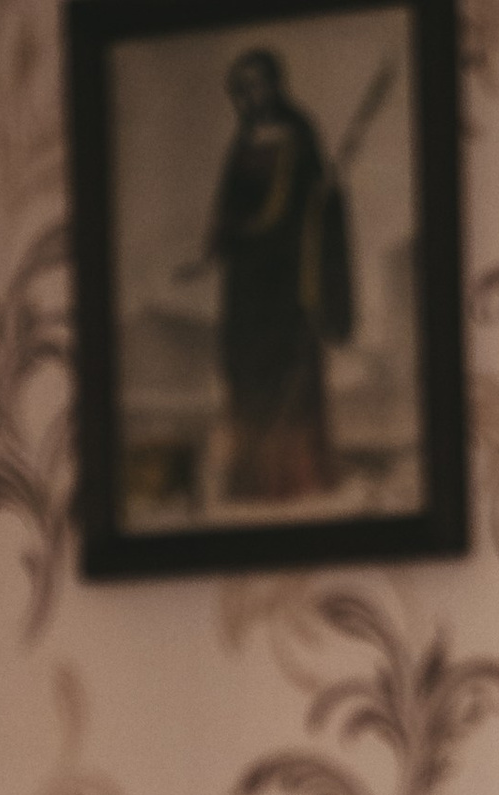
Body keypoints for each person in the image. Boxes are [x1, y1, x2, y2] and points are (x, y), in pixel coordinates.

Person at [197, 47, 339, 502]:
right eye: (243, 88)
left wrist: (326, 194)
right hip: (245, 281)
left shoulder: (298, 135)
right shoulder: (243, 139)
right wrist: (216, 243)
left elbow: (305, 207)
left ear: (275, 84)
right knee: (245, 371)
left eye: (258, 84)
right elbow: (227, 205)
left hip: (286, 279)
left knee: (287, 369)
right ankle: (251, 478)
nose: (252, 95)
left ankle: (297, 479)